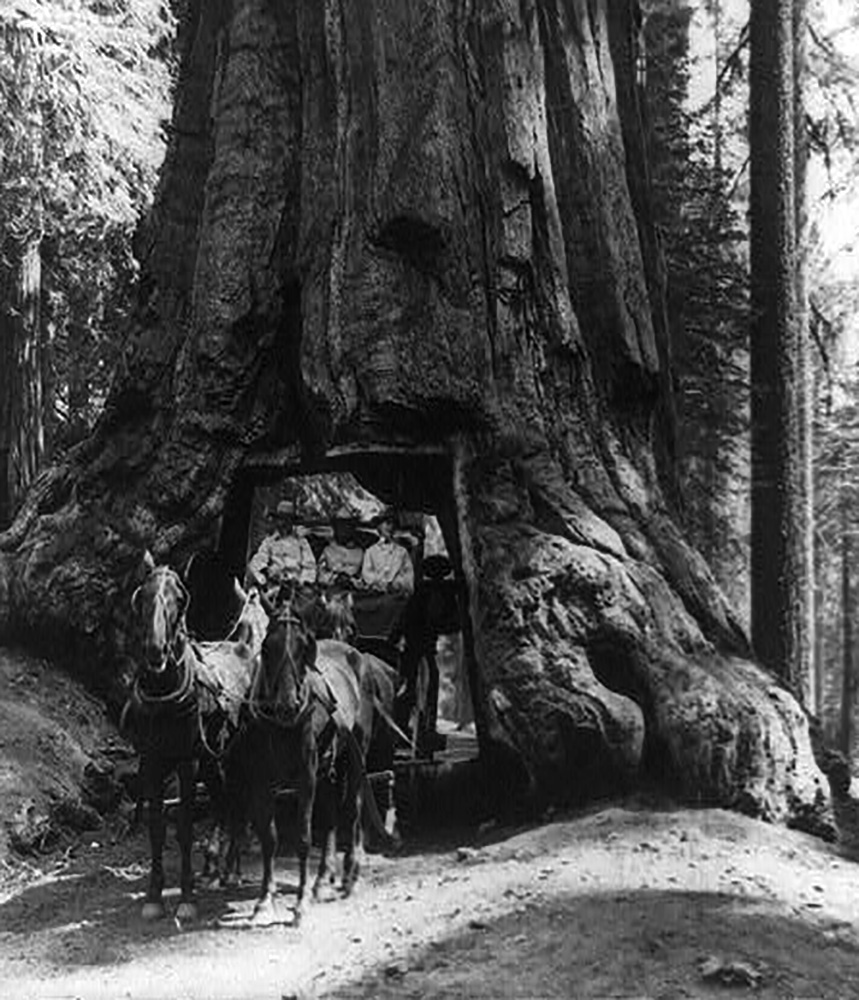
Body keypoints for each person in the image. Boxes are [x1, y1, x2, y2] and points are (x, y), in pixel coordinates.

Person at [247, 510, 317, 601]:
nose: (282, 523)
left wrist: (302, 582)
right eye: (280, 519)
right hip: (273, 586)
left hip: (296, 589)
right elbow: (257, 562)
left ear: (291, 522)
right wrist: (264, 577)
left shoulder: (301, 542)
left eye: (286, 519)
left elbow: (310, 566)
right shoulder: (269, 542)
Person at [360, 515, 415, 595]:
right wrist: (379, 580)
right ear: (379, 527)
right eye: (387, 523)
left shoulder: (402, 551)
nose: (390, 527)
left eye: (392, 524)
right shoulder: (371, 551)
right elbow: (366, 573)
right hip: (376, 594)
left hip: (397, 595)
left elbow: (408, 573)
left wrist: (396, 583)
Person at [316, 520, 365, 588]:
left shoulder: (360, 551)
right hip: (332, 586)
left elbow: (365, 576)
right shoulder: (327, 550)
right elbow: (321, 574)